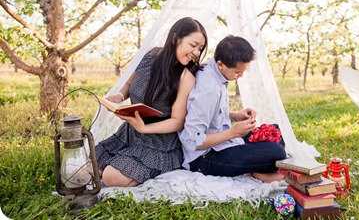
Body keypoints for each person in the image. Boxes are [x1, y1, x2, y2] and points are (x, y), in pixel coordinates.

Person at [95, 17, 208, 187]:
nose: (197, 53)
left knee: (111, 177)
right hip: (129, 133)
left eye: (200, 49)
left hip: (159, 143)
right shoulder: (147, 54)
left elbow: (178, 122)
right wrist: (118, 97)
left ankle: (123, 170)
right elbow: (128, 83)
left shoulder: (185, 77)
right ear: (175, 38)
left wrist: (145, 128)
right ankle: (115, 168)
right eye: (193, 45)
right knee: (86, 165)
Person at [179, 35, 287, 183]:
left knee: (274, 130)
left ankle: (259, 167)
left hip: (220, 142)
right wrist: (233, 132)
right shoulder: (209, 90)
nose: (241, 76)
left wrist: (235, 116)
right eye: (237, 72)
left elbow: (209, 115)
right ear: (220, 64)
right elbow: (192, 141)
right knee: (277, 151)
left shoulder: (216, 72)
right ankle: (261, 171)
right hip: (204, 158)